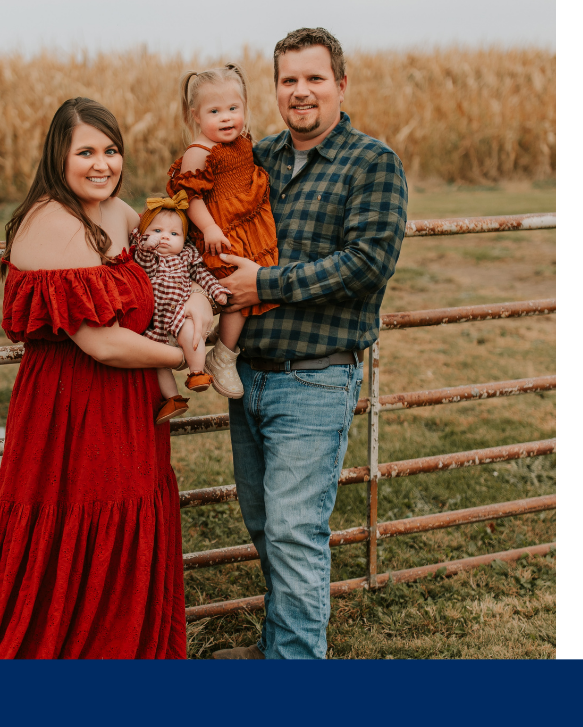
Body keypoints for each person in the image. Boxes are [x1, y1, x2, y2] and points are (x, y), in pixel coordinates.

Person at [0, 97, 211, 659]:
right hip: (74, 408)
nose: (102, 164)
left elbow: (173, 261)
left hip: (129, 404)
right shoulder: (52, 225)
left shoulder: (117, 212)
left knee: (128, 515)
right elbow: (103, 344)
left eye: (111, 150)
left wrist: (198, 303)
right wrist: (186, 357)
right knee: (80, 525)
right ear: (58, 157)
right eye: (85, 152)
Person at [210, 27, 408, 660]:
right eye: (289, 80)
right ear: (275, 89)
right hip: (249, 372)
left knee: (295, 529)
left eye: (314, 78)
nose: (301, 91)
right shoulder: (255, 158)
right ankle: (280, 644)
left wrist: (265, 283)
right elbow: (200, 199)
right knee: (266, 524)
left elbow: (368, 263)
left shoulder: (371, 163)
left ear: (340, 85)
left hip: (315, 376)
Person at [166, 63, 280, 400]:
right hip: (221, 233)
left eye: (234, 108)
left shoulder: (240, 142)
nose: (227, 118)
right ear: (196, 116)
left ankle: (210, 344)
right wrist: (209, 227)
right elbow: (189, 197)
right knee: (232, 295)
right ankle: (222, 355)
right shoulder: (198, 152)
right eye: (214, 111)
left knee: (246, 288)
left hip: (246, 231)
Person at [129, 193, 231, 425]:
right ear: (143, 234)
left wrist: (216, 291)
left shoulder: (186, 255)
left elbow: (202, 275)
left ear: (184, 239)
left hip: (178, 313)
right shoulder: (145, 256)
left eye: (174, 234)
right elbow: (144, 264)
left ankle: (197, 373)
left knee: (191, 333)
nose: (165, 237)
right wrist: (147, 247)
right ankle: (173, 399)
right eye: (157, 231)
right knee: (158, 363)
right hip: (152, 322)